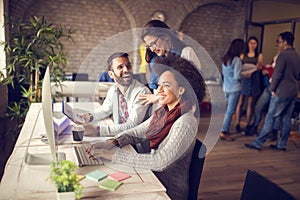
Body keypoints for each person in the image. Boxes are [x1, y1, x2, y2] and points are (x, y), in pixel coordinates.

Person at [87, 55, 206, 200]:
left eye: (166, 85)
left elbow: (160, 161)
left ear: (181, 90)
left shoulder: (185, 123)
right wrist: (112, 142)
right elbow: (138, 132)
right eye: (159, 85)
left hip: (168, 192)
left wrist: (112, 155)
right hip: (152, 179)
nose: (159, 90)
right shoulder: (164, 112)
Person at [245, 31, 300, 151]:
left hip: (281, 92)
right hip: (293, 91)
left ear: (285, 42)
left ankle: (258, 143)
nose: (278, 44)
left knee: (270, 117)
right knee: (286, 118)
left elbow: (277, 75)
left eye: (279, 41)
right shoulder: (297, 55)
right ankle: (281, 144)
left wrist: (272, 89)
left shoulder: (283, 55)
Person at [79, 52, 152, 136]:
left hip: (137, 145)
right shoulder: (113, 89)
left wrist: (97, 130)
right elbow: (105, 110)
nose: (126, 70)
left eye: (128, 66)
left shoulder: (142, 92)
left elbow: (132, 125)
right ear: (111, 74)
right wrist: (88, 116)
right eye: (120, 67)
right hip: (120, 137)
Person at [138, 20, 201, 106]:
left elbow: (191, 86)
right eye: (149, 46)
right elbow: (151, 82)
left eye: (153, 43)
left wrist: (157, 97)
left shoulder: (186, 52)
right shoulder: (154, 57)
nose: (152, 49)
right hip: (160, 105)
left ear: (166, 37)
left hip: (181, 106)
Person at [248, 48, 283, 139]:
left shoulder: (285, 60)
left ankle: (272, 132)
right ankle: (255, 126)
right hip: (270, 87)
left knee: (274, 112)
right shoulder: (279, 56)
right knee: (259, 107)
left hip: (277, 89)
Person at [220, 38, 248, 141]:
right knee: (230, 111)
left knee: (226, 111)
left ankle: (222, 129)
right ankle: (224, 131)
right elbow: (237, 76)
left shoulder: (225, 59)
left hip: (226, 88)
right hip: (234, 89)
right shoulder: (236, 60)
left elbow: (225, 74)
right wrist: (245, 75)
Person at [235, 36, 263, 135]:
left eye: (255, 43)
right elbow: (238, 68)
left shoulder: (259, 55)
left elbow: (259, 65)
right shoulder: (243, 55)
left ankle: (248, 124)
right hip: (244, 79)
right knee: (240, 102)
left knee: (250, 103)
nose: (253, 45)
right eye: (251, 43)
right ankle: (237, 123)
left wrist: (257, 68)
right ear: (248, 44)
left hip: (254, 79)